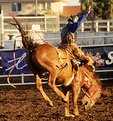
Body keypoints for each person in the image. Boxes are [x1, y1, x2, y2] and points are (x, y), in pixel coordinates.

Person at [59, 5, 93, 70]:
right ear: (74, 21)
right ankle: (78, 63)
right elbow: (79, 22)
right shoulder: (71, 27)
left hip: (61, 45)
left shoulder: (64, 27)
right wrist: (86, 13)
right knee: (83, 57)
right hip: (70, 46)